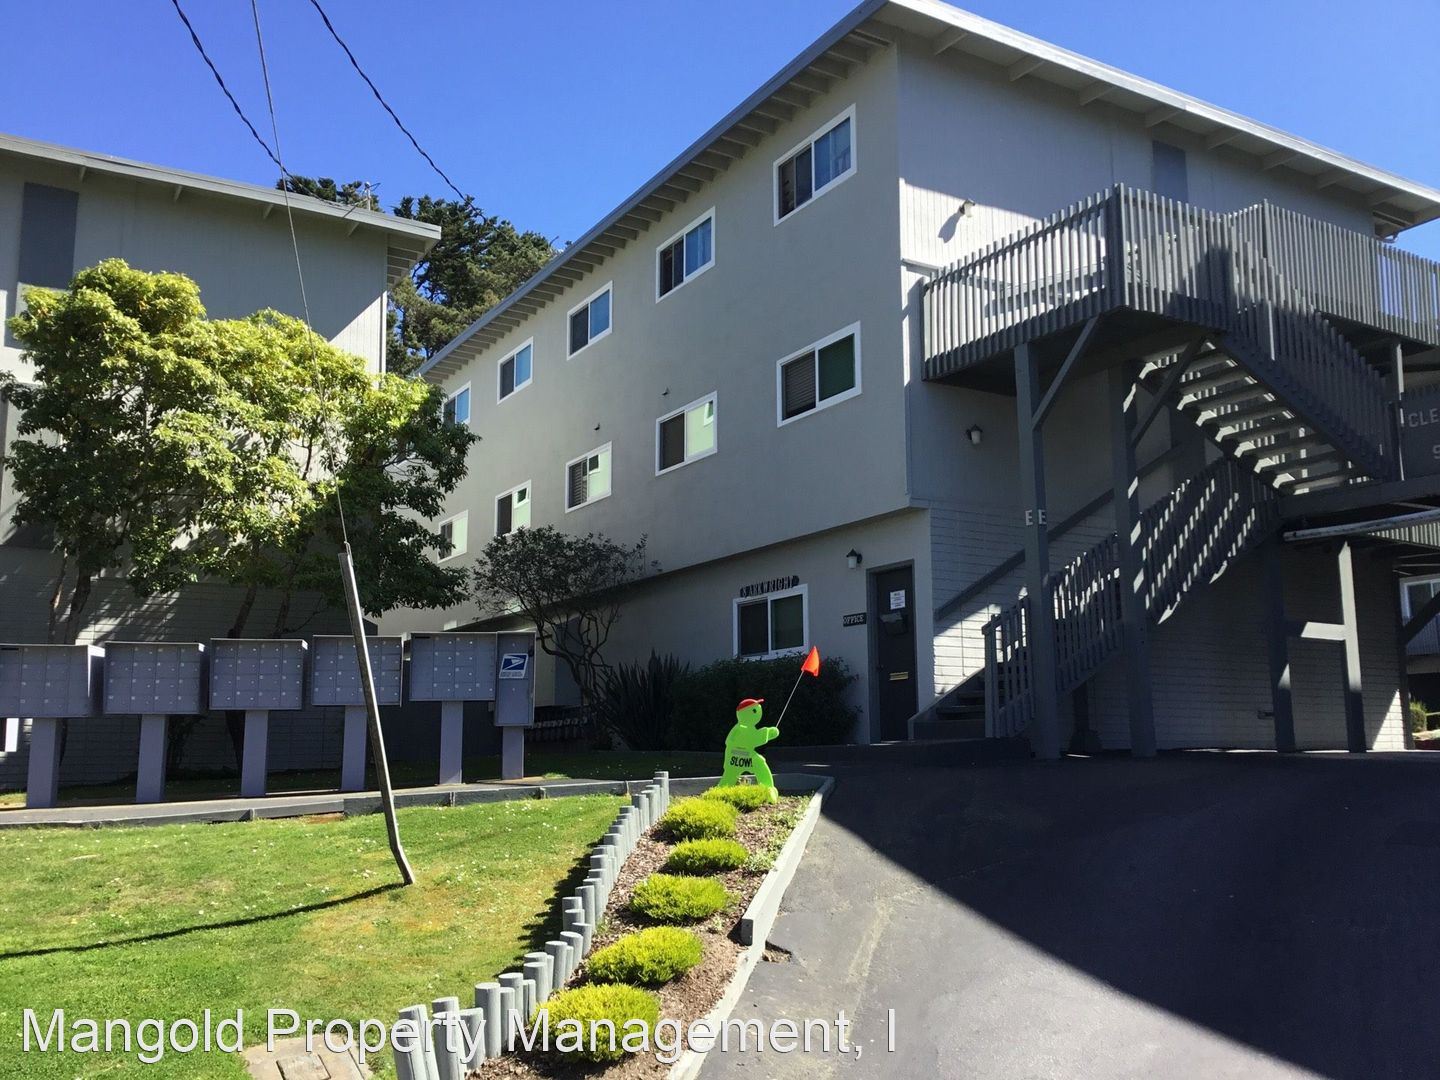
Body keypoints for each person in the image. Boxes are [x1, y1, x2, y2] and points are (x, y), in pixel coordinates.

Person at [716, 698, 779, 802]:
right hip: (738, 757)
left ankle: (768, 789)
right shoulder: (741, 728)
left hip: (738, 757)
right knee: (758, 765)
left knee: (757, 765)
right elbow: (753, 739)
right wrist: (770, 732)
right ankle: (768, 789)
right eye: (754, 710)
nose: (759, 712)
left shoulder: (740, 728)